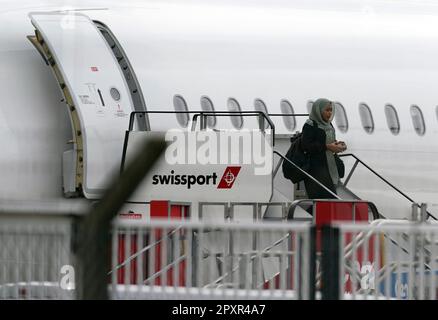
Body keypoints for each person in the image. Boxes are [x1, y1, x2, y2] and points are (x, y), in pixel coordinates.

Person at [301, 98, 346, 199]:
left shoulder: (328, 125)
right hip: (316, 169)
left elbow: (330, 141)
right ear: (318, 110)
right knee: (327, 199)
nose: (330, 113)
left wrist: (339, 145)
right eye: (327, 110)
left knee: (327, 200)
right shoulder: (310, 125)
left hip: (330, 167)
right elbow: (306, 146)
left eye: (331, 110)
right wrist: (327, 147)